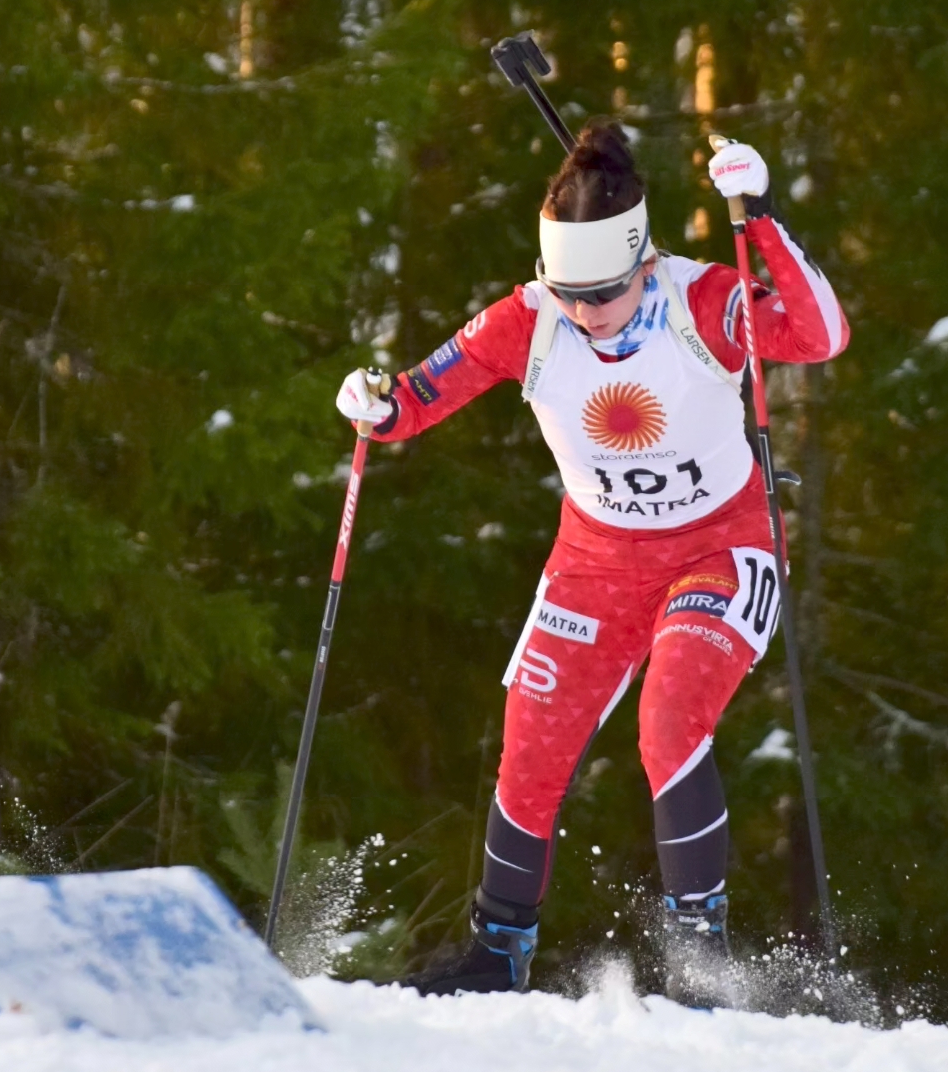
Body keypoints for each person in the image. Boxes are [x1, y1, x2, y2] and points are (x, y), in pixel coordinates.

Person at [336, 123, 848, 998]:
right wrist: (376, 408)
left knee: (670, 718)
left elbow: (821, 334)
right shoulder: (529, 321)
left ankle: (699, 958)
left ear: (644, 258)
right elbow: (415, 399)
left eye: (604, 290)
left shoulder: (704, 302)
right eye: (569, 291)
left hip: (720, 548)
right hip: (595, 562)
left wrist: (759, 214)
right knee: (531, 742)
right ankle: (498, 950)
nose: (586, 311)